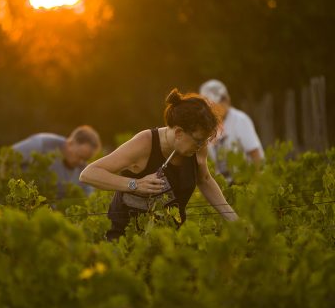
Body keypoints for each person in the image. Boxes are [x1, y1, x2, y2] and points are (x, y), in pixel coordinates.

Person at [79, 88, 238, 240]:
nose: (202, 145)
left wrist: (234, 220)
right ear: (178, 133)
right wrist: (135, 184)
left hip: (169, 237)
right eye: (198, 140)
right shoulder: (144, 143)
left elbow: (204, 180)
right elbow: (89, 174)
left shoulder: (198, 146)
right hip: (126, 237)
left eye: (205, 141)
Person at [3, 125, 102, 199]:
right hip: (19, 201)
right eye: (80, 156)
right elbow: (8, 157)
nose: (81, 162)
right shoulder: (41, 143)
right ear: (70, 143)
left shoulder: (83, 169)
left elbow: (89, 197)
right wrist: (6, 187)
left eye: (85, 159)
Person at [199, 79, 264, 183]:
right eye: (211, 106)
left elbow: (255, 155)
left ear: (227, 100)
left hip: (246, 182)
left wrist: (257, 183)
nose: (214, 109)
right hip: (223, 186)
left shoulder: (240, 120)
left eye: (218, 103)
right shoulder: (207, 126)